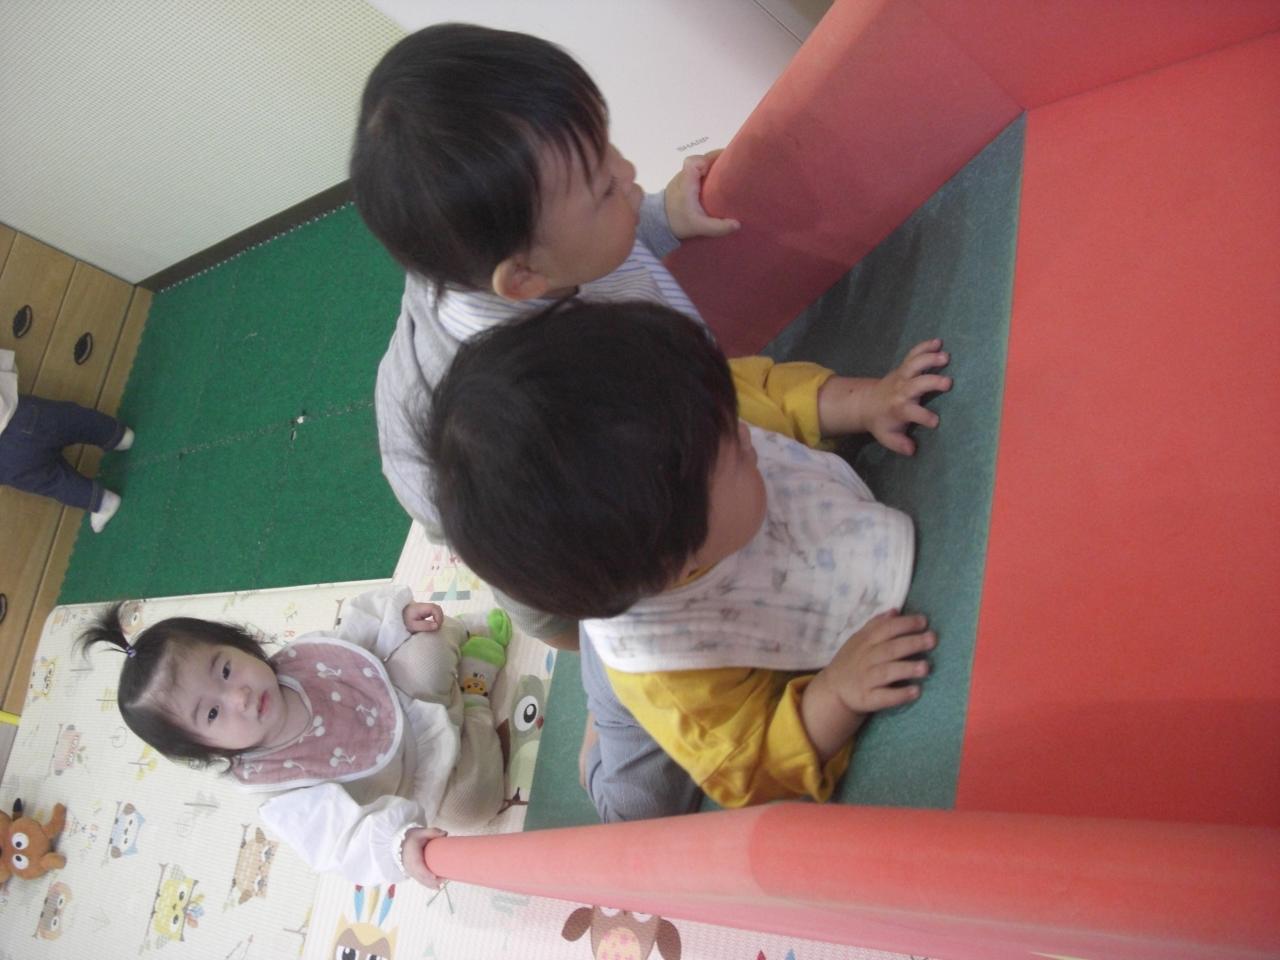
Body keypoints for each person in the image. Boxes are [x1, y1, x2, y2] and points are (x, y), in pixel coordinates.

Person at [426, 300, 951, 814]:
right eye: (730, 456)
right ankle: (598, 742)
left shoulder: (682, 414)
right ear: (673, 563)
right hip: (640, 649)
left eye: (722, 411)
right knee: (643, 807)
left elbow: (768, 392)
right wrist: (835, 695)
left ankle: (593, 638)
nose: (744, 430)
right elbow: (747, 764)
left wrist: (867, 402)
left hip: (609, 577)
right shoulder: (675, 671)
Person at [351, 22, 739, 649]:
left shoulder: (499, 253)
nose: (630, 171)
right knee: (569, 596)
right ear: (524, 278)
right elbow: (541, 555)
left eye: (608, 147)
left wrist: (662, 216)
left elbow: (591, 248)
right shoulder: (541, 408)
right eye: (605, 188)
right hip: (480, 488)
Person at [78, 585, 513, 888]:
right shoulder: (280, 790)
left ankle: (460, 639)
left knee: (427, 645)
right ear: (206, 749)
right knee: (470, 806)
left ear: (241, 644)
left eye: (225, 669)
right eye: (212, 713)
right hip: (415, 782)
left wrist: (397, 621)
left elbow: (353, 636)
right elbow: (340, 840)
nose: (239, 696)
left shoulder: (299, 661)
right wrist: (399, 844)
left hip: (401, 696)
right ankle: (474, 696)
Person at [1, 347, 132, 532]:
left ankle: (103, 502)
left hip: (8, 462)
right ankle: (117, 435)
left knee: (55, 483)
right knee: (71, 421)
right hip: (18, 415)